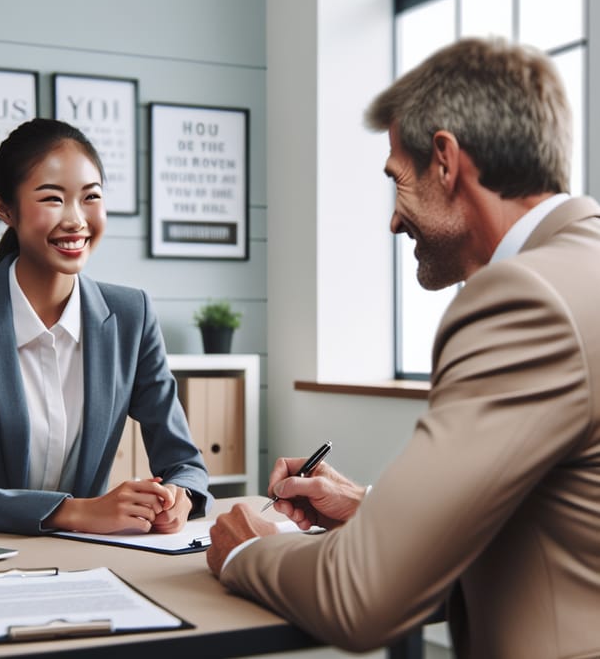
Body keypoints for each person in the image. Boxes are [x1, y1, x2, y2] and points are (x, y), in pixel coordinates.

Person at [207, 37, 600, 658]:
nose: (394, 220)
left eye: (398, 179)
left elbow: (363, 600)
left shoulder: (525, 297)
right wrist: (369, 506)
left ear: (445, 160)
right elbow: (566, 509)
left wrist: (249, 550)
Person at [0, 118, 211, 536]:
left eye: (91, 197)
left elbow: (185, 463)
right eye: (52, 198)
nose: (75, 219)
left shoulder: (130, 314)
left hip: (90, 558)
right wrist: (80, 512)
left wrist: (179, 498)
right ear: (5, 208)